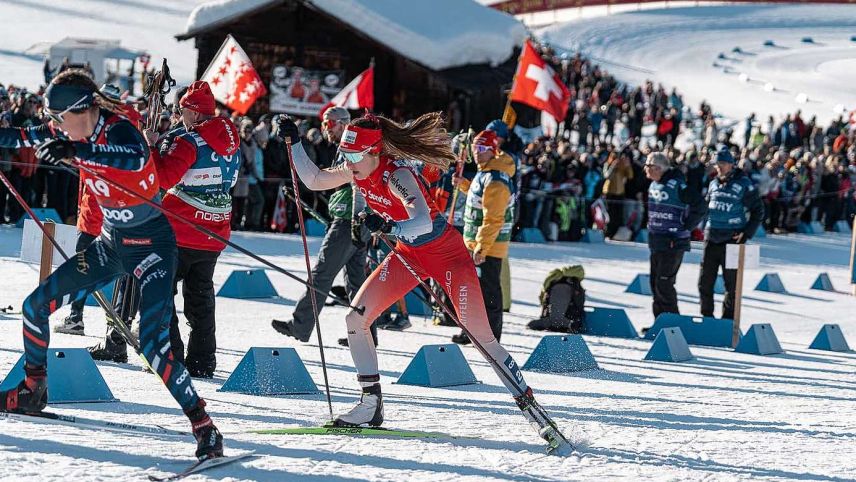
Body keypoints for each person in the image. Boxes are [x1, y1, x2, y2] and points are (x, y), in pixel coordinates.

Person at [275, 112, 570, 453]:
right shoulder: (357, 171)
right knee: (356, 319)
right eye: (346, 155)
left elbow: (422, 221)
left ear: (374, 152)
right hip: (409, 256)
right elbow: (313, 179)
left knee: (481, 337)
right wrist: (294, 142)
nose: (349, 163)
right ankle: (370, 404)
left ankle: (533, 411)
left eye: (355, 157)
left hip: (448, 257)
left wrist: (386, 226)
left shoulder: (396, 174)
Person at [0, 70, 222, 459]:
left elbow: (135, 156)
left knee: (154, 347)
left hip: (152, 246)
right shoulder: (73, 132)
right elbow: (21, 136)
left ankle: (204, 426)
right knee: (35, 307)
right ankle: (34, 389)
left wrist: (77, 153)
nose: (53, 125)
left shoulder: (120, 132)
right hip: (110, 245)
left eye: (58, 117)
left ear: (81, 110)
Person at [145, 80, 240, 378]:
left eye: (183, 110)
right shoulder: (230, 143)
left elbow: (163, 179)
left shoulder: (190, 141)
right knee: (200, 298)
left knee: (161, 292)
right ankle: (203, 361)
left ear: (196, 114)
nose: (179, 115)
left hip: (180, 229)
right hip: (214, 232)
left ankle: (170, 357)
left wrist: (151, 147)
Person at [271, 106, 379, 343]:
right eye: (323, 124)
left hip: (349, 221)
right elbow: (322, 179)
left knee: (322, 273)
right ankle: (366, 333)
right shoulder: (344, 150)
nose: (325, 129)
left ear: (344, 124)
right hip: (352, 220)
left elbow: (359, 186)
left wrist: (354, 221)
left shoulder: (355, 150)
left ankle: (301, 325)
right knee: (356, 280)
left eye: (329, 124)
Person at [450, 129, 516, 345]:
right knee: (471, 291)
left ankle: (491, 336)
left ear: (493, 151)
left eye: (482, 149)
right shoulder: (484, 172)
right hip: (475, 242)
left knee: (488, 292)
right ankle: (471, 331)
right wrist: (464, 185)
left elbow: (493, 218)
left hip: (489, 246)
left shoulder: (496, 179)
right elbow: (480, 199)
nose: (476, 153)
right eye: (475, 148)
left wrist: (482, 247)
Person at [698, 147, 765, 320]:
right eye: (716, 164)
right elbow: (706, 207)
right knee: (704, 283)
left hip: (732, 240)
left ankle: (728, 322)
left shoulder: (743, 183)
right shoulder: (713, 183)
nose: (719, 167)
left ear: (731, 164)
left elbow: (758, 211)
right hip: (711, 238)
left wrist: (746, 233)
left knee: (732, 285)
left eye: (722, 164)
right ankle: (707, 318)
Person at [643, 152, 706, 324]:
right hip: (657, 240)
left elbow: (700, 206)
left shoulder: (676, 185)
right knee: (655, 284)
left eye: (648, 166)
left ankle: (673, 324)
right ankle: (660, 323)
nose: (645, 169)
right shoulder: (654, 185)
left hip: (674, 241)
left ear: (658, 168)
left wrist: (686, 226)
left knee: (664, 284)